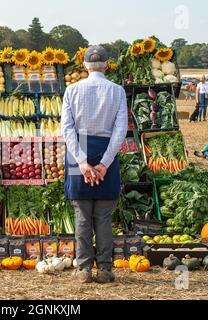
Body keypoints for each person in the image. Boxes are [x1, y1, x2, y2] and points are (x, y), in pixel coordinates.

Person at [61, 46, 128, 284]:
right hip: (105, 150)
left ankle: (84, 268)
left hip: (79, 148)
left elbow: (67, 130)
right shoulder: (117, 91)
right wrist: (104, 163)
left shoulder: (72, 90)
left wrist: (81, 162)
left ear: (84, 66)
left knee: (82, 215)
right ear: (107, 65)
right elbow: (121, 130)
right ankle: (106, 268)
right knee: (103, 216)